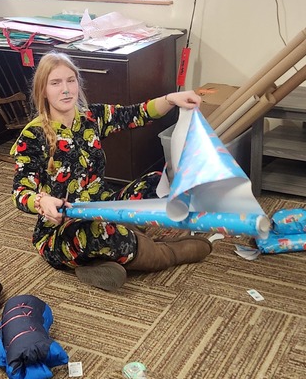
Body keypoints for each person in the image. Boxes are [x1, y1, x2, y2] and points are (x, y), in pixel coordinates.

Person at [11, 51, 212, 291]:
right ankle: (164, 253)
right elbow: (20, 191)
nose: (65, 89)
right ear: (43, 90)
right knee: (98, 231)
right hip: (60, 231)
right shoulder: (32, 136)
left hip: (103, 207)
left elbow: (137, 113)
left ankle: (106, 254)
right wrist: (41, 202)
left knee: (155, 184)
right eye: (56, 83)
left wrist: (172, 98)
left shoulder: (91, 117)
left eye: (70, 80)